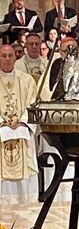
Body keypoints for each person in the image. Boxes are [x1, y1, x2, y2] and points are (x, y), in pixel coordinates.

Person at [0, 45, 38, 204]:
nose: (7, 59)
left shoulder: (26, 80)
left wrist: (21, 121)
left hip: (22, 132)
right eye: (3, 56)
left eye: (10, 55)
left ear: (15, 57)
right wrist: (3, 122)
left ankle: (27, 204)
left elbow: (33, 103)